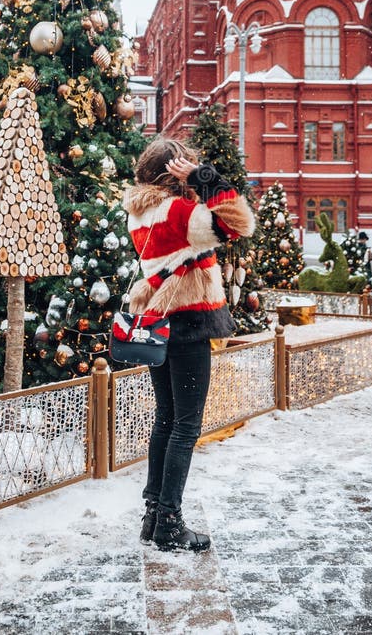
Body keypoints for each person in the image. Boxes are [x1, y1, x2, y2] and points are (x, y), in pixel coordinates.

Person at [123, 137, 255, 552]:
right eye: (188, 166)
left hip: (161, 323)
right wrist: (206, 179)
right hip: (190, 322)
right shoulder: (179, 211)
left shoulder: (140, 211)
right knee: (186, 426)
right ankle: (169, 522)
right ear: (175, 170)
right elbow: (238, 224)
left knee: (166, 418)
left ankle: (152, 514)